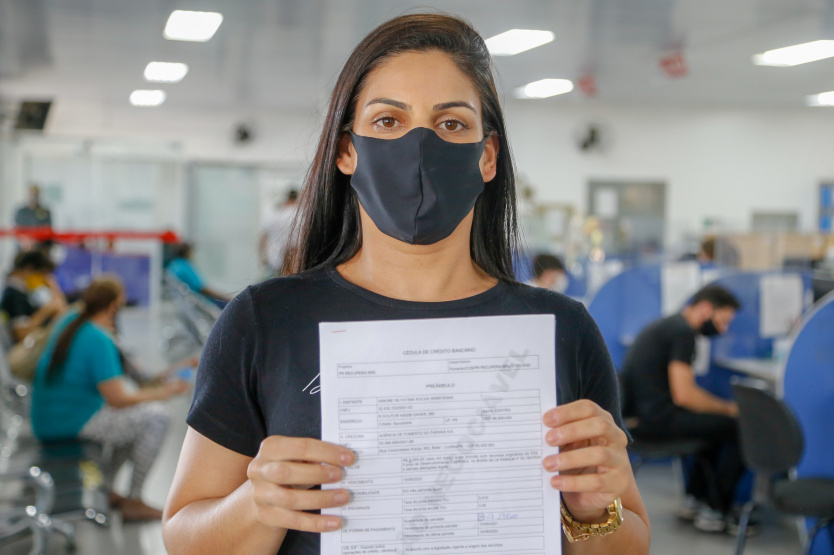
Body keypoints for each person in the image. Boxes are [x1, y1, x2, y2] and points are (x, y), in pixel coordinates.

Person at [163, 13, 650, 555]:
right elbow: (185, 536)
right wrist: (257, 505)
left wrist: (590, 510)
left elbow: (631, 540)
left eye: (451, 124)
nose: (420, 146)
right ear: (346, 151)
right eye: (389, 121)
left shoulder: (561, 330)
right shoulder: (266, 321)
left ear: (487, 157)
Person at [30, 276, 191, 521]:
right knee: (156, 418)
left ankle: (108, 489)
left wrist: (169, 376)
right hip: (69, 421)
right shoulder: (98, 338)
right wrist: (164, 393)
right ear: (114, 306)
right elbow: (118, 399)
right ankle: (133, 500)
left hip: (48, 419)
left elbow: (134, 382)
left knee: (135, 423)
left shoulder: (71, 321)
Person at [622, 284, 745, 533]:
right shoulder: (683, 333)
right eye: (722, 321)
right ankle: (717, 509)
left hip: (641, 419)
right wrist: (729, 408)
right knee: (738, 428)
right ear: (706, 309)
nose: (723, 329)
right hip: (656, 422)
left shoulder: (667, 325)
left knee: (709, 432)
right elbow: (684, 395)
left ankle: (695, 499)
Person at [1, 250, 67, 344]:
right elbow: (20, 333)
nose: (43, 280)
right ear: (29, 269)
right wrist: (45, 311)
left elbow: (62, 309)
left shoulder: (24, 290)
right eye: (42, 275)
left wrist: (53, 287)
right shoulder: (14, 294)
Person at [165, 242, 230, 305]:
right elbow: (202, 288)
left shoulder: (173, 265)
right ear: (187, 252)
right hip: (201, 302)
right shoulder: (184, 267)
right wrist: (225, 297)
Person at [259, 188, 300, 276]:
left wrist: (263, 258)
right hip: (299, 264)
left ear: (286, 199)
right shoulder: (304, 215)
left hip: (275, 262)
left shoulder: (274, 216)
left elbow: (262, 240)